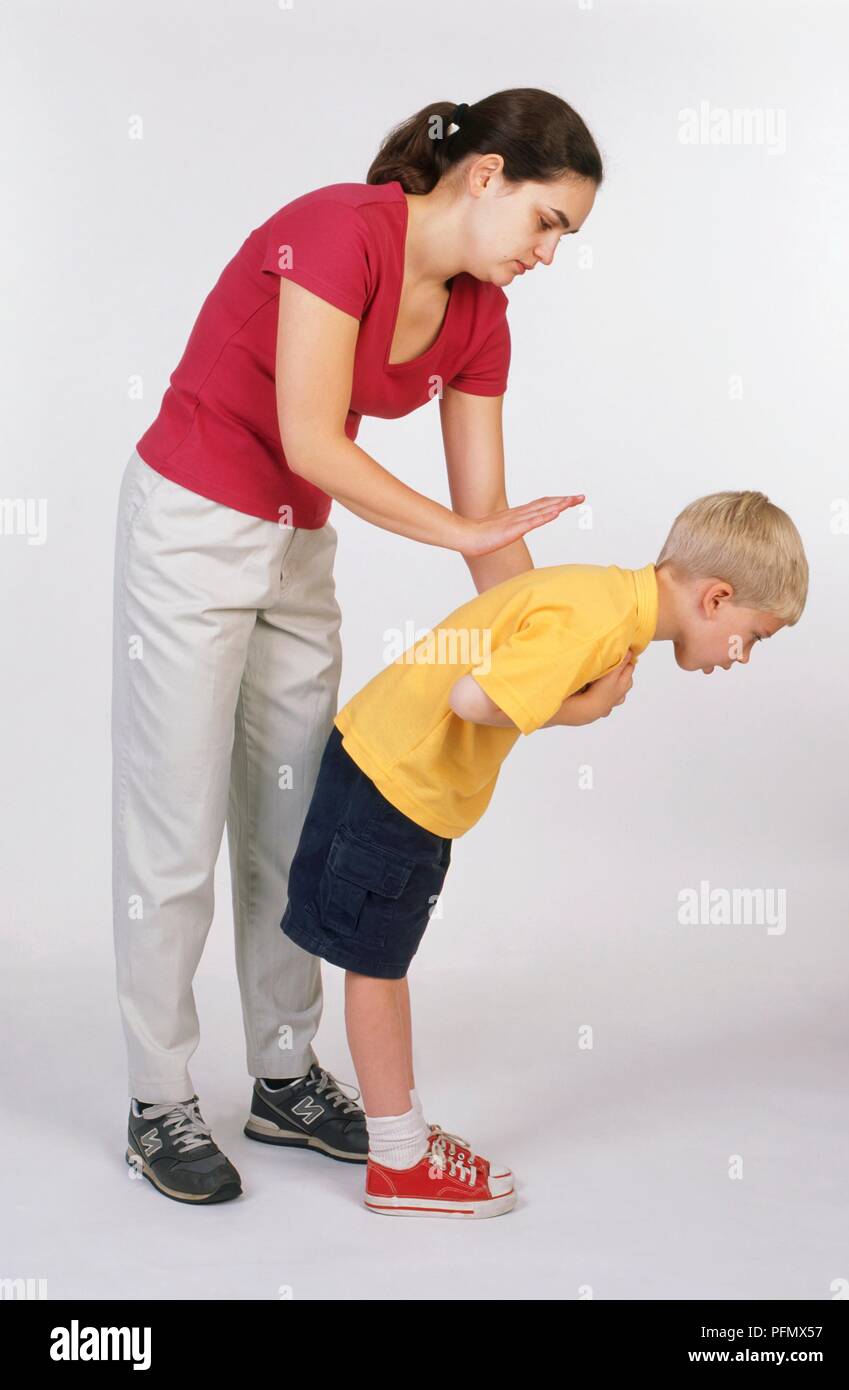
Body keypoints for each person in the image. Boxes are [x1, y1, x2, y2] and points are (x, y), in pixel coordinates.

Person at [117, 88, 604, 1203]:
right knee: (174, 826)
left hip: (296, 552)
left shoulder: (482, 317)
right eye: (547, 222)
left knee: (297, 829)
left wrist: (562, 656)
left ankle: (284, 1075)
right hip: (192, 523)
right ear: (485, 176)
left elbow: (490, 528)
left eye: (563, 237)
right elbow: (309, 437)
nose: (548, 252)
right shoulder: (342, 227)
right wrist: (461, 530)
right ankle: (157, 1096)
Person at [278, 491, 810, 1218]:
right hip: (393, 780)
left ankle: (400, 1136)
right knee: (376, 965)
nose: (743, 655)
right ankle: (397, 1162)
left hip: (397, 772)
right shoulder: (597, 620)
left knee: (384, 958)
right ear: (716, 599)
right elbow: (472, 699)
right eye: (757, 635)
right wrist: (579, 710)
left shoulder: (601, 595)